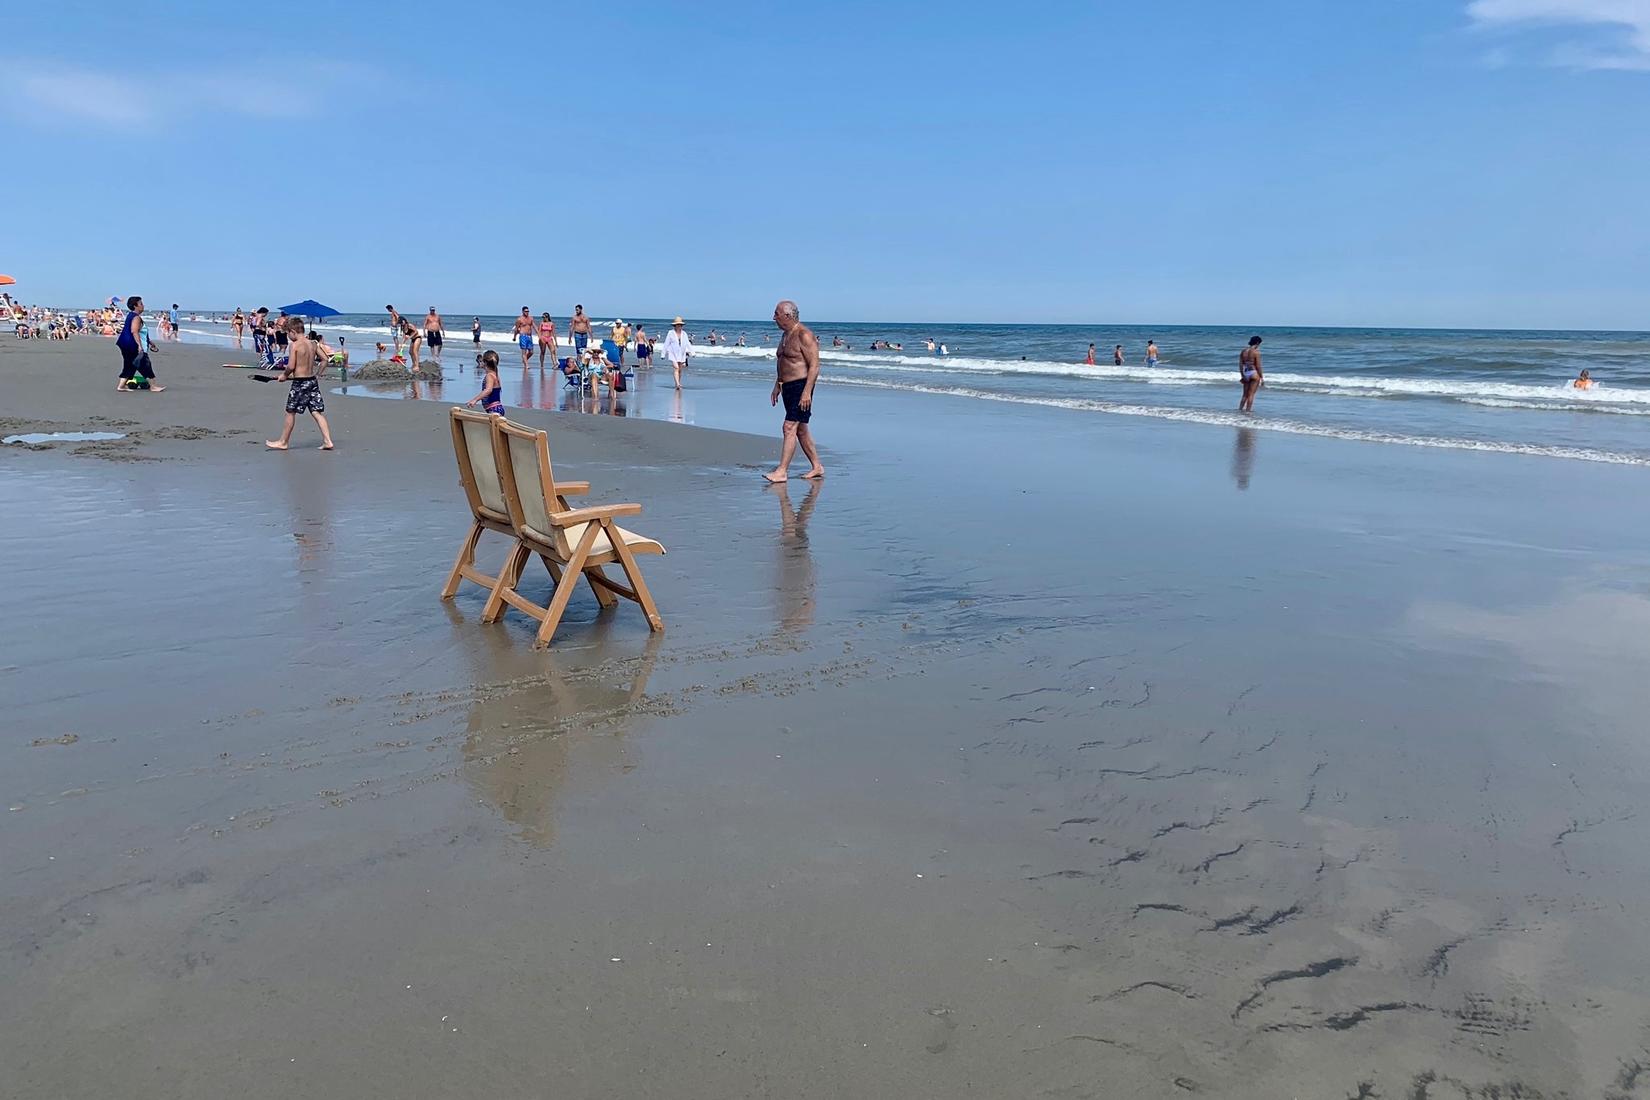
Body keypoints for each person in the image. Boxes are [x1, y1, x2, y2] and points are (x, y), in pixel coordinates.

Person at [764, 299, 825, 484]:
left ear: (788, 316)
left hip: (801, 386)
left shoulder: (804, 335)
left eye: (777, 314)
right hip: (787, 387)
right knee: (801, 430)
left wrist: (807, 392)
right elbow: (783, 363)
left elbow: (814, 366)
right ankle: (817, 466)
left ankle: (782, 471)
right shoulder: (785, 335)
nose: (773, 317)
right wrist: (777, 384)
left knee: (789, 427)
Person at [267, 316, 335, 450]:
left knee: (290, 411)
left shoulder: (295, 345)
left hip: (299, 383)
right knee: (316, 411)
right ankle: (328, 441)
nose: (288, 337)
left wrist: (284, 375)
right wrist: (318, 374)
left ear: (293, 331)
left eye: (288, 334)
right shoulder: (313, 343)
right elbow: (325, 359)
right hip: (312, 382)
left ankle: (283, 442)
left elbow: (291, 366)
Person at [115, 295, 164, 391]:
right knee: (145, 365)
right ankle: (153, 386)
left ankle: (121, 386)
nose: (143, 305)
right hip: (132, 346)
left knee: (130, 365)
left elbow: (140, 332)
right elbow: (134, 331)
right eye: (141, 303)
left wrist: (150, 342)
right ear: (135, 306)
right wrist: (139, 346)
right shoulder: (136, 317)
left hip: (125, 345)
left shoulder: (131, 315)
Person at [466, 349, 506, 415]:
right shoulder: (495, 374)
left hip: (494, 409)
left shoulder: (489, 375)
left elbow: (488, 390)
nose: (479, 362)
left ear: (485, 363)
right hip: (496, 408)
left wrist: (475, 400)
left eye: (481, 361)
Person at [663, 316, 692, 390]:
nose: (679, 326)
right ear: (675, 325)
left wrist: (692, 352)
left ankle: (677, 383)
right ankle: (678, 384)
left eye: (680, 325)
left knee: (680, 370)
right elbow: (666, 343)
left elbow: (687, 343)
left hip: (681, 353)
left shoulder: (684, 333)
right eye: (677, 325)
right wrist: (663, 353)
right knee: (676, 368)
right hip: (672, 353)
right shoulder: (670, 333)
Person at [1239, 335, 1263, 412]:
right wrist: (1262, 377)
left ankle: (1240, 410)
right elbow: (1258, 366)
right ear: (1257, 343)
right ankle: (1248, 411)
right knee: (1251, 394)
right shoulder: (1256, 352)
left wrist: (1242, 375)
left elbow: (1240, 364)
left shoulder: (1243, 351)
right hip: (1254, 373)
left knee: (1244, 395)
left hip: (1246, 373)